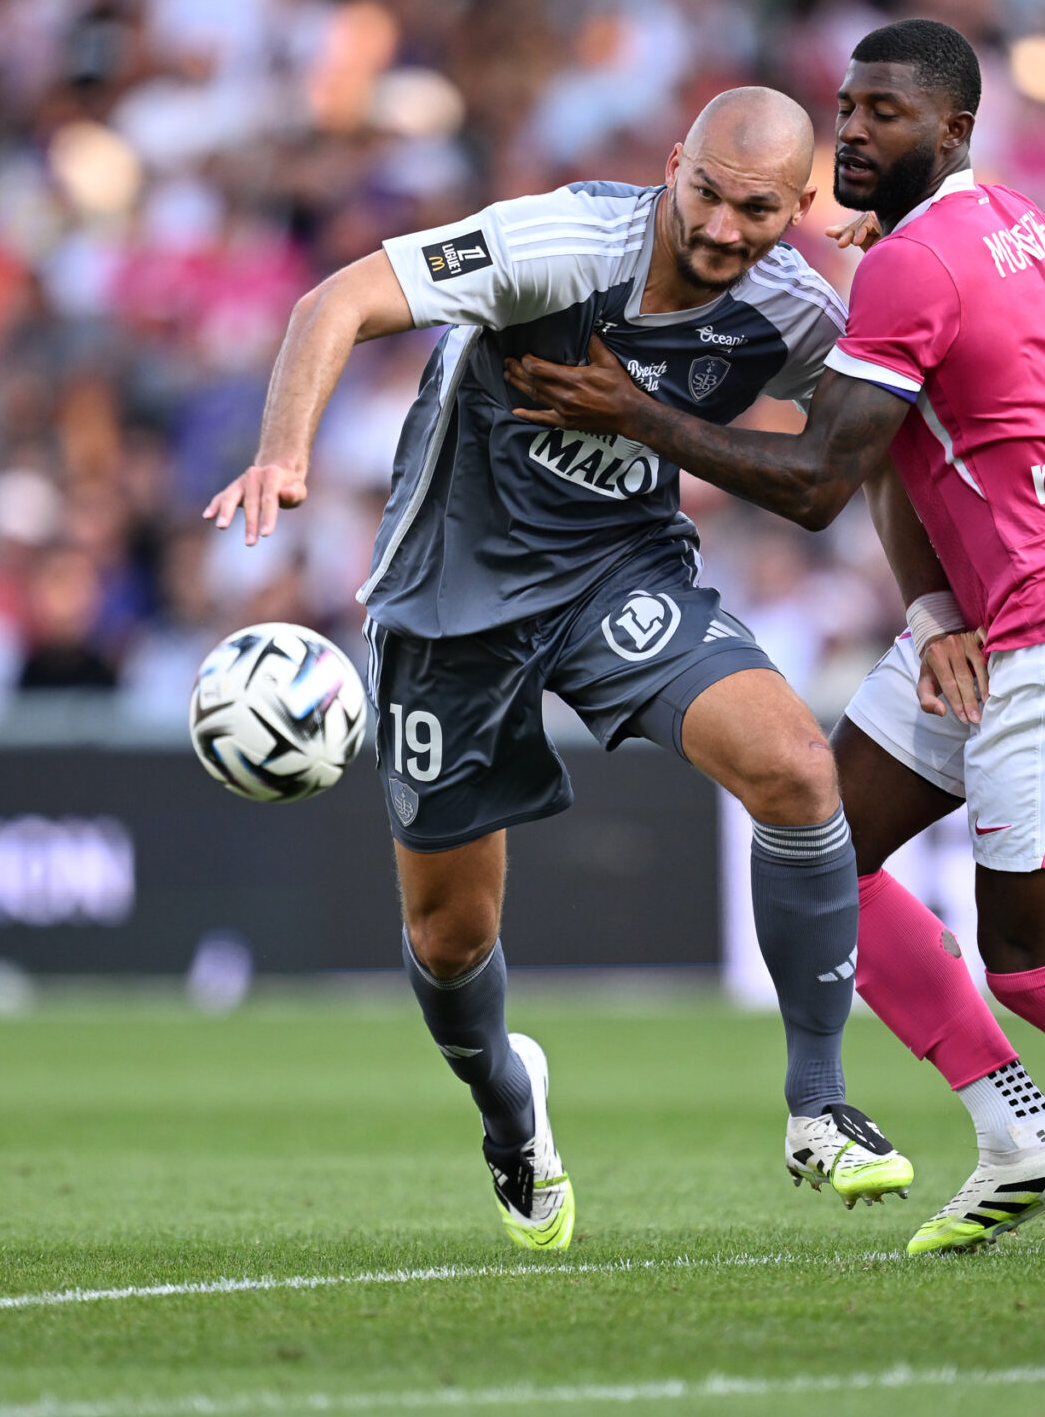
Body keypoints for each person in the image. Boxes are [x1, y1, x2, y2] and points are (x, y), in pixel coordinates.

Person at [508, 21, 1045, 1257]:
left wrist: (640, 410)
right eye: (847, 106)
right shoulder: (1016, 221)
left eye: (884, 114)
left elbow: (823, 478)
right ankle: (1018, 1132)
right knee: (824, 846)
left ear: (951, 130)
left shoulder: (911, 268)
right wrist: (946, 584)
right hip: (984, 619)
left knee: (1038, 969)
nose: (851, 130)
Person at [205, 88, 913, 1252]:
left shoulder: (793, 312)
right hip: (449, 599)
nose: (724, 230)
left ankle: (819, 1104)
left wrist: (935, 603)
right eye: (706, 196)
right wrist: (283, 455)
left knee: (796, 770)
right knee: (446, 935)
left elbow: (870, 446)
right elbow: (337, 300)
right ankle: (507, 1108)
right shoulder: (558, 244)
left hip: (615, 576)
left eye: (756, 211)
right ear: (672, 166)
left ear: (801, 210)